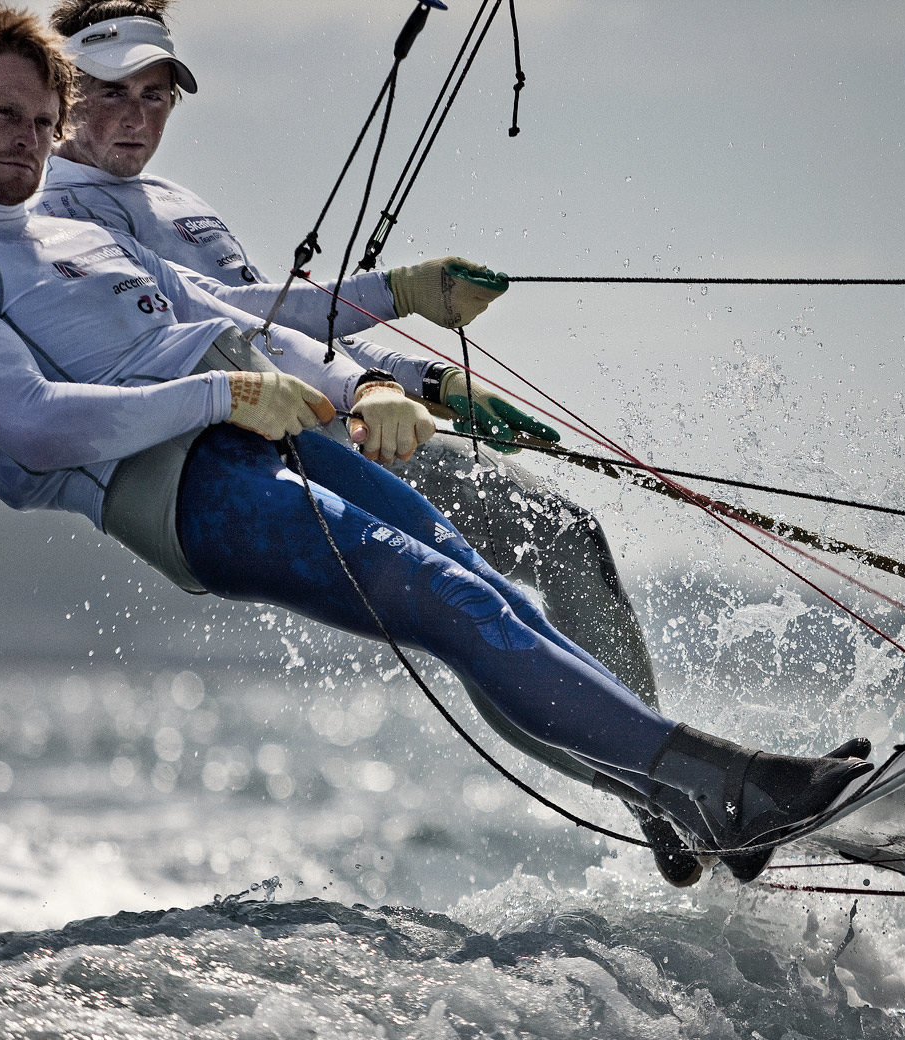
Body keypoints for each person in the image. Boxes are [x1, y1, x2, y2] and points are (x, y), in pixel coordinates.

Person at [0, 3, 872, 882]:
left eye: (45, 122)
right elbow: (36, 427)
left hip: (261, 429)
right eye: (11, 117)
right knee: (441, 601)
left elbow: (237, 321)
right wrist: (224, 392)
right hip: (177, 485)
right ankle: (724, 790)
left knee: (480, 588)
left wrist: (379, 380)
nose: (35, 141)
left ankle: (701, 791)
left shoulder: (70, 237)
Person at [36, 0, 708, 883]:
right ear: (60, 92)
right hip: (254, 463)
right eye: (112, 94)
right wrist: (394, 309)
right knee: (470, 611)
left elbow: (294, 330)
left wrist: (430, 383)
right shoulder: (53, 218)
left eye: (157, 95)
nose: (137, 118)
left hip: (346, 421)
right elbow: (238, 327)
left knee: (568, 534)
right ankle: (668, 789)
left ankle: (666, 789)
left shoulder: (175, 203)